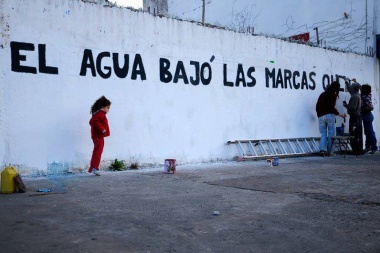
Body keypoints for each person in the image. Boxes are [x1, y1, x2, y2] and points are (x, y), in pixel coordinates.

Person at [316, 81, 346, 156]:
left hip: (321, 116)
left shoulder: (322, 94)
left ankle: (322, 150)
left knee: (323, 133)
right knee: (331, 133)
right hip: (329, 116)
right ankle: (329, 151)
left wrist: (319, 115)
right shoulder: (333, 95)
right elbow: (331, 107)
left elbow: (317, 106)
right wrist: (340, 115)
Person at [89, 96, 111, 176]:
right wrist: (102, 129)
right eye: (108, 108)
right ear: (103, 107)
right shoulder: (100, 114)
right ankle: (95, 168)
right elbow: (92, 121)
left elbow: (94, 121)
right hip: (98, 136)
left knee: (97, 151)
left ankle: (93, 167)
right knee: (98, 152)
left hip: (98, 136)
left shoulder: (99, 114)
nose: (108, 110)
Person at [343, 78, 363, 155]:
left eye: (351, 87)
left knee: (354, 133)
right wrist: (347, 82)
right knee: (356, 133)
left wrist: (346, 106)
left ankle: (356, 150)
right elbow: (350, 89)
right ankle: (358, 150)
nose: (350, 88)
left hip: (355, 117)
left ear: (354, 89)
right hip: (357, 116)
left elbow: (353, 108)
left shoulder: (354, 97)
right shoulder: (357, 94)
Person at [361, 84, 377, 154]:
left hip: (366, 115)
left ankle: (374, 147)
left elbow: (371, 107)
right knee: (367, 132)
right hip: (368, 115)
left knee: (370, 132)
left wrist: (365, 108)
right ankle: (368, 147)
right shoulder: (368, 95)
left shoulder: (364, 97)